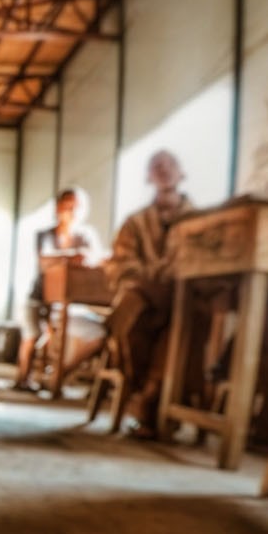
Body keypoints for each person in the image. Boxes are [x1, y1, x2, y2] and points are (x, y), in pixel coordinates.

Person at [104, 149, 199, 438]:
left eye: (170, 164)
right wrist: (150, 278)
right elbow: (121, 263)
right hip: (145, 295)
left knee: (184, 329)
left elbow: (203, 263)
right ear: (148, 176)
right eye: (156, 166)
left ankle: (152, 399)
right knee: (130, 315)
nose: (164, 170)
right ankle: (143, 393)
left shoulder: (199, 222)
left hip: (184, 299)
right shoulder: (135, 222)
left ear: (181, 173)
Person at [13, 187, 104, 392]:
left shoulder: (86, 236)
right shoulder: (45, 235)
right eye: (67, 206)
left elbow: (94, 259)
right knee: (33, 334)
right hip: (38, 297)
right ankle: (22, 379)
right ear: (58, 208)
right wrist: (72, 257)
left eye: (76, 207)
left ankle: (58, 376)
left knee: (91, 334)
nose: (71, 211)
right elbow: (44, 260)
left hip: (69, 302)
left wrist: (75, 258)